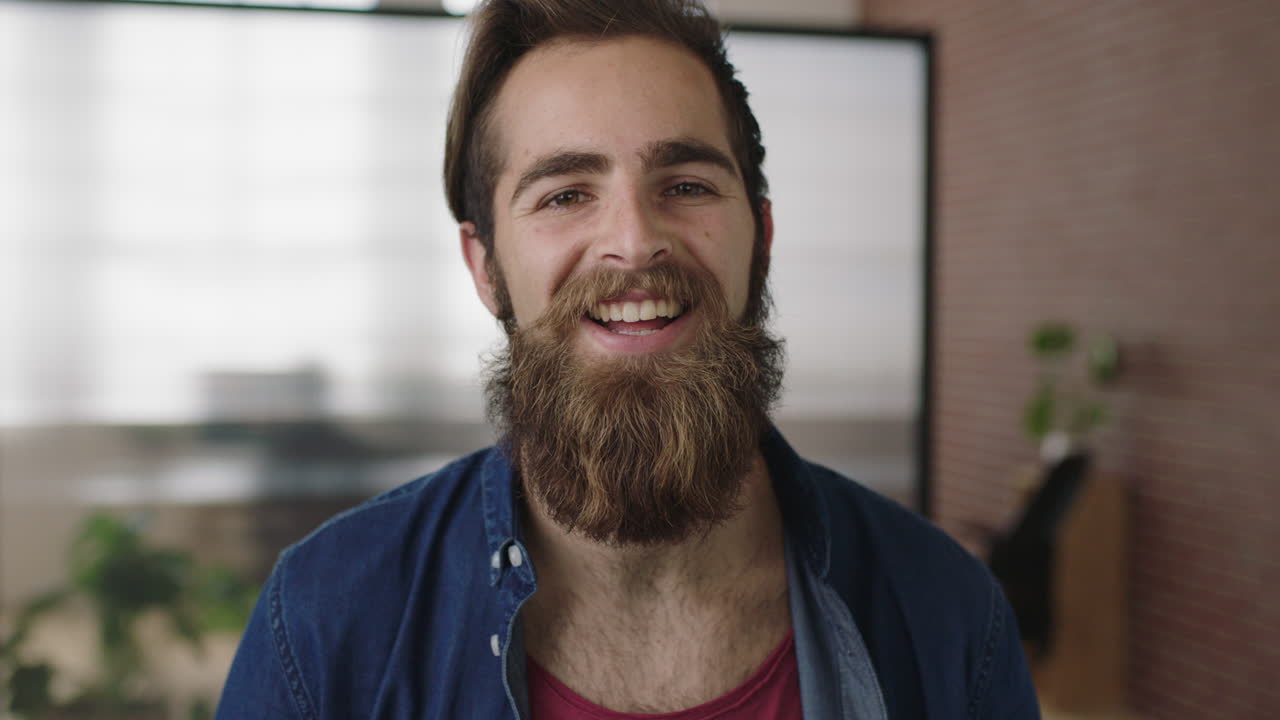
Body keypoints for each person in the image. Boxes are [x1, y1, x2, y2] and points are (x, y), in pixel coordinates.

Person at [216, 1, 1040, 718]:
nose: (635, 242)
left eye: (685, 184)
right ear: (486, 268)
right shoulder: (327, 624)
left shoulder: (949, 619)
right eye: (566, 194)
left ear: (762, 238)